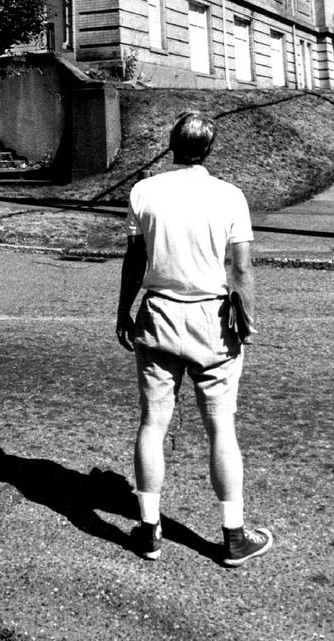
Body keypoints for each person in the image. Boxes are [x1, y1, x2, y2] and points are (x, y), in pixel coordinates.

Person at [116, 110, 273, 567]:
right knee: (221, 428)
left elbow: (134, 259)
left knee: (153, 422)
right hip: (212, 319)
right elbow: (240, 267)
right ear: (209, 148)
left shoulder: (144, 191)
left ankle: (148, 531)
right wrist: (246, 315)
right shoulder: (229, 196)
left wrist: (123, 309)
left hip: (159, 315)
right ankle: (233, 536)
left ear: (171, 143)